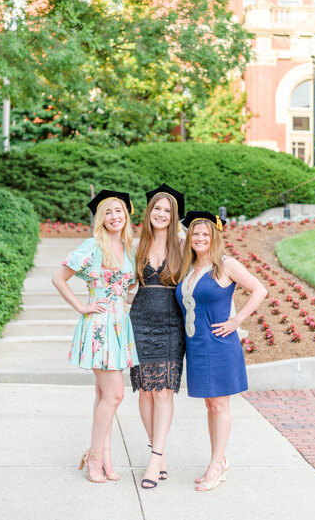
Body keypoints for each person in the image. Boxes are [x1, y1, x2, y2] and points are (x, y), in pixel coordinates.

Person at [175, 210, 267, 492]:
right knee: (209, 405)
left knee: (220, 405)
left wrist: (237, 321)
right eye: (195, 234)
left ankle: (216, 463)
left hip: (220, 344)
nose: (200, 238)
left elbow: (259, 289)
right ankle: (220, 459)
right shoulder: (188, 268)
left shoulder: (225, 265)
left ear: (214, 238)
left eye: (206, 234)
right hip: (197, 346)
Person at [52, 189, 139, 483]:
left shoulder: (129, 248)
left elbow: (127, 288)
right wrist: (81, 306)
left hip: (119, 324)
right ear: (101, 219)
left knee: (104, 396)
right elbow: (58, 278)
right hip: (99, 326)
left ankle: (106, 457)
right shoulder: (92, 246)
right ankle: (94, 455)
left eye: (119, 211)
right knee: (115, 395)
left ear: (126, 214)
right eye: (109, 212)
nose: (115, 216)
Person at [129, 183, 186, 489]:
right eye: (156, 208)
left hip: (171, 324)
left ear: (173, 215)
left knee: (164, 390)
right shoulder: (135, 245)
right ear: (149, 212)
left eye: (167, 210)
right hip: (139, 321)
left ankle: (155, 457)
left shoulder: (182, 243)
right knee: (147, 391)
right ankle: (158, 453)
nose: (161, 213)